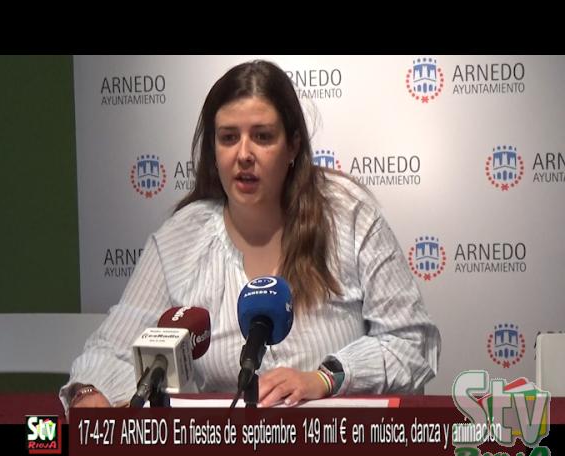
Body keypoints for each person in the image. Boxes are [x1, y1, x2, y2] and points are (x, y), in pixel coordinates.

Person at [60, 59, 440, 415]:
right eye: (228, 138)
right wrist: (89, 392)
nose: (244, 154)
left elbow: (411, 344)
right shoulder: (181, 238)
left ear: (293, 145)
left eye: (262, 136)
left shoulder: (350, 219)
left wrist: (325, 379)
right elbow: (115, 346)